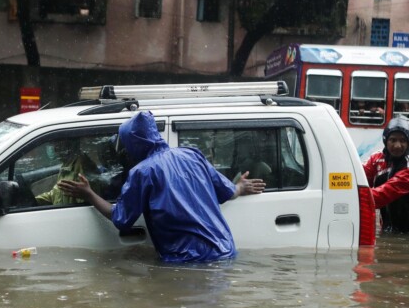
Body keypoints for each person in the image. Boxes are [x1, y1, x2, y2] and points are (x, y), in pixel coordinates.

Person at [57, 111, 265, 263]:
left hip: (187, 262)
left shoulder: (142, 173)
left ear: (133, 144)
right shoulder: (191, 154)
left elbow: (120, 218)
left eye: (126, 146)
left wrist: (88, 193)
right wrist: (240, 187)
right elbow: (228, 191)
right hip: (225, 251)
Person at [34, 138, 102, 206]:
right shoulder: (66, 164)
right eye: (53, 144)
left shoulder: (82, 166)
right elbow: (58, 193)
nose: (54, 148)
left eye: (56, 143)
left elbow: (84, 203)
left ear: (68, 143)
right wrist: (34, 200)